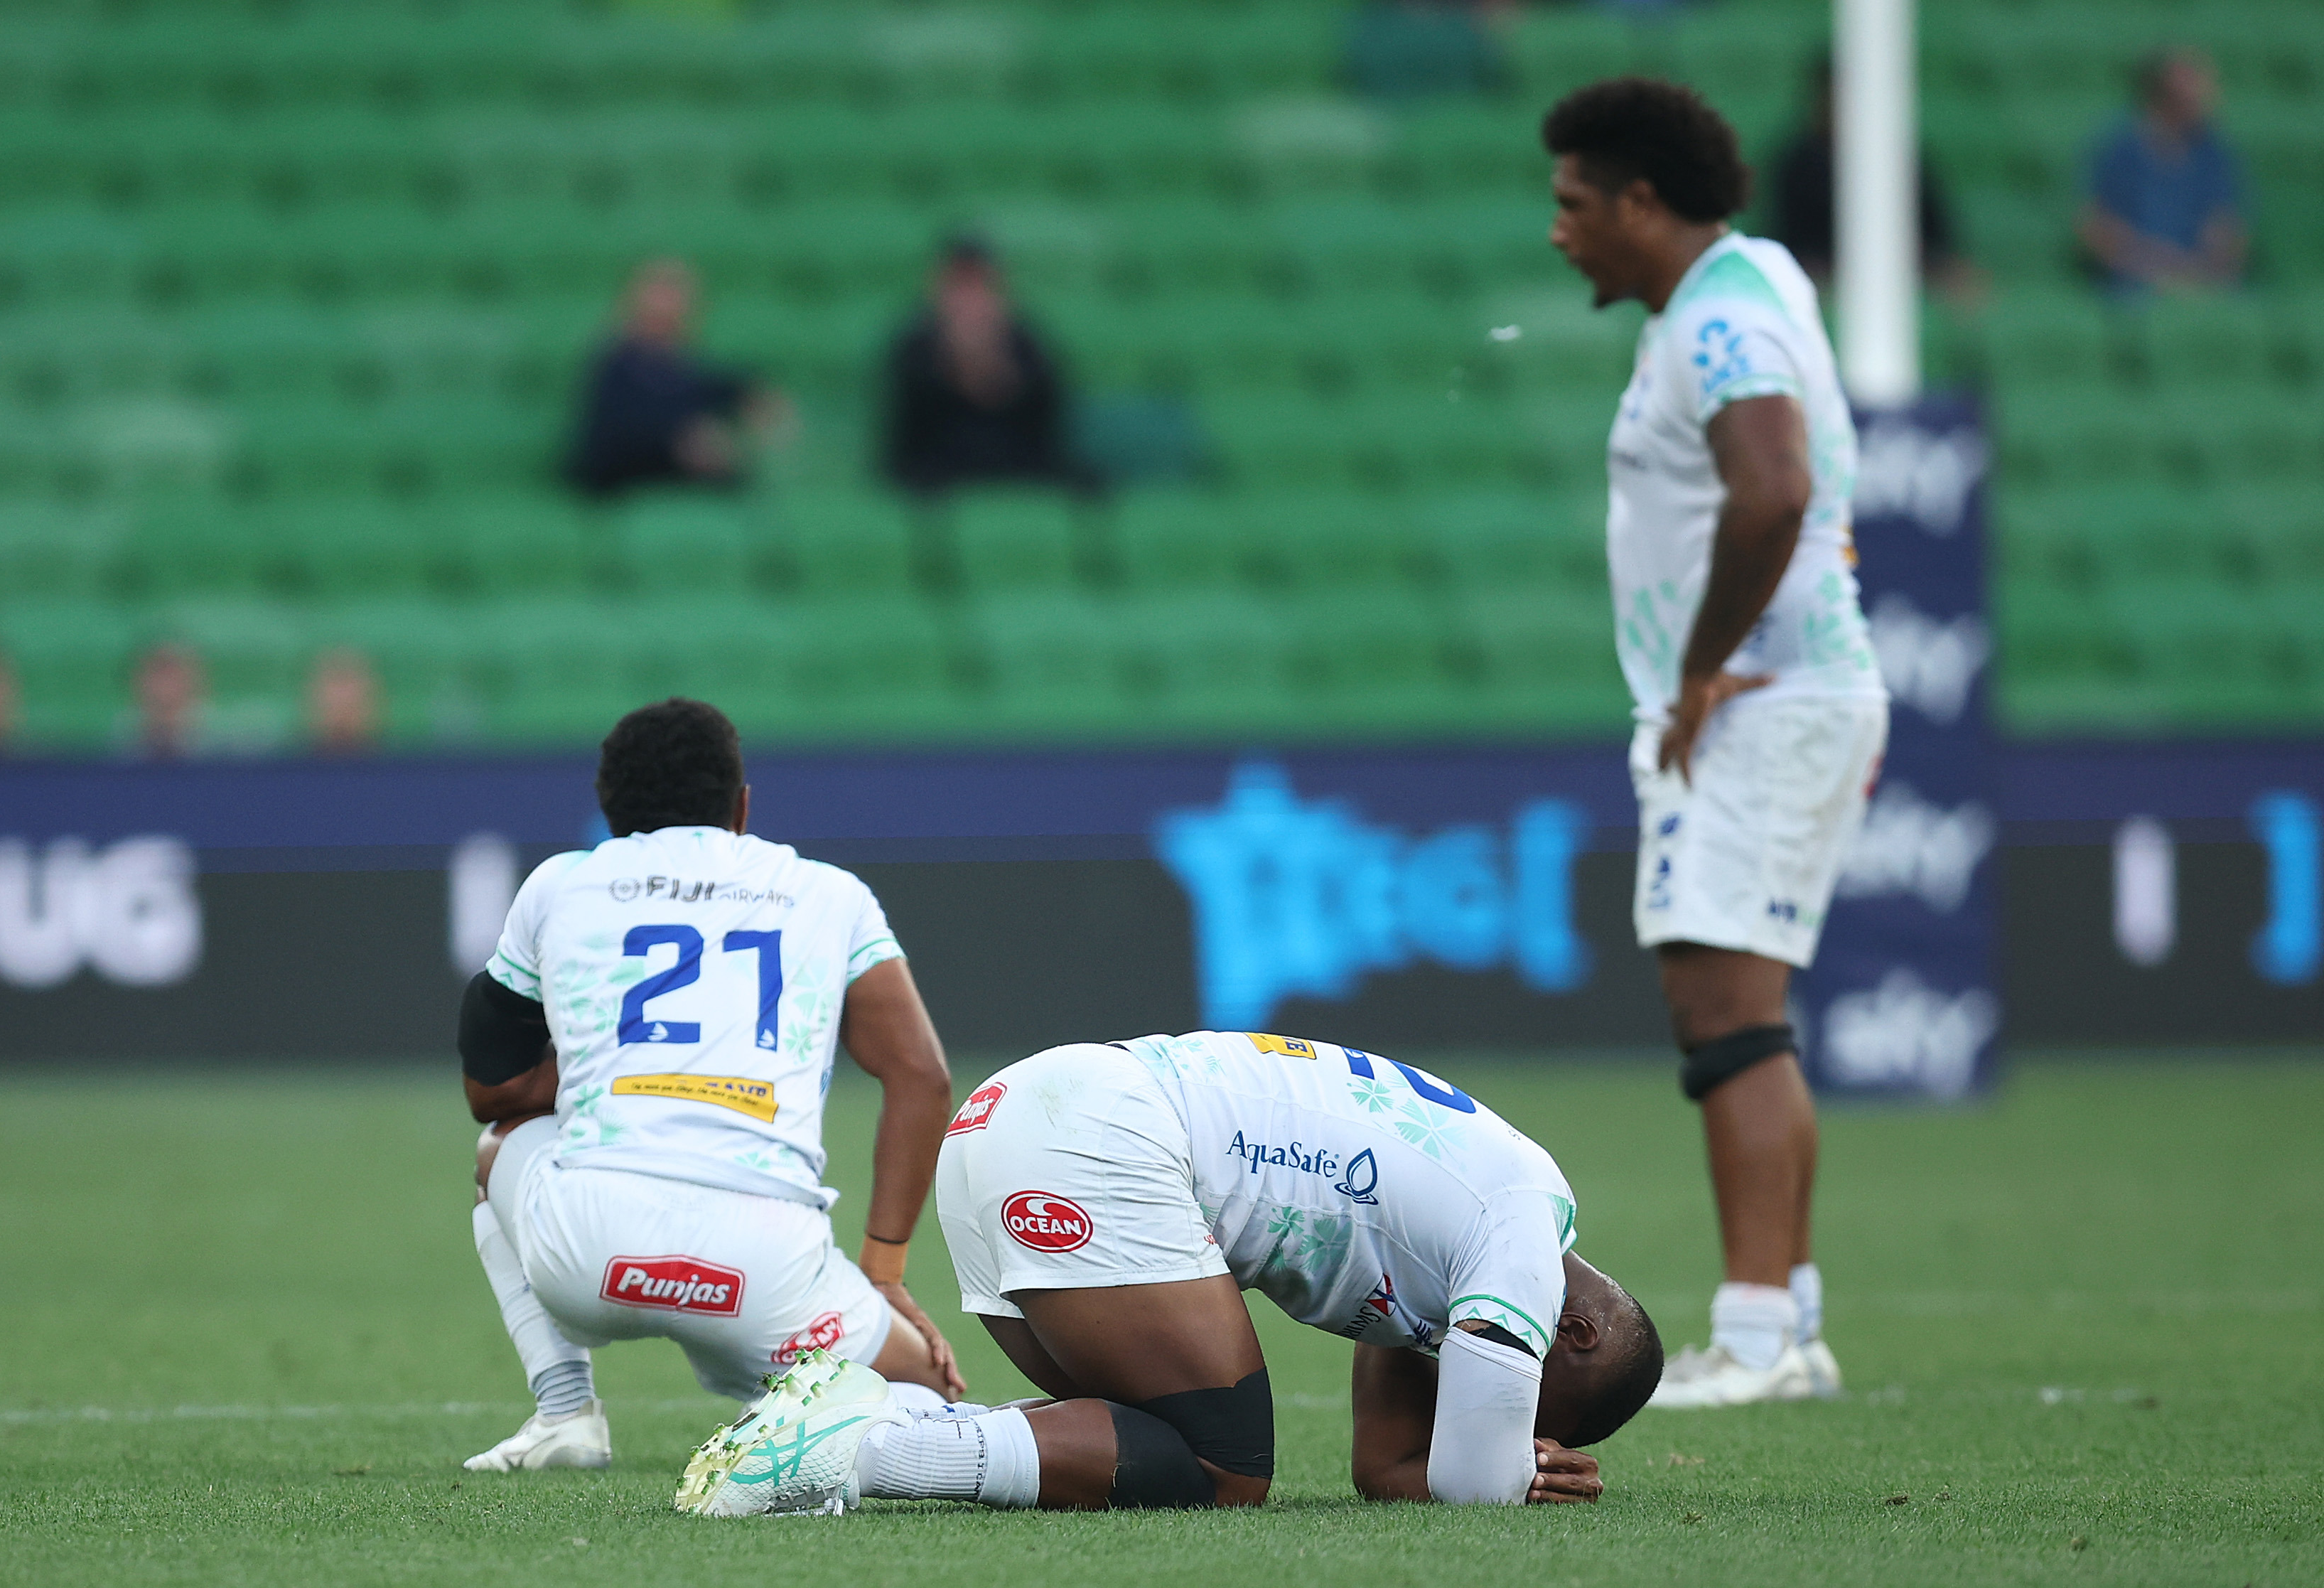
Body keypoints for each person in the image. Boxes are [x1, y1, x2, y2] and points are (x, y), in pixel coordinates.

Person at [676, 1029, 1661, 1517]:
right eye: (1538, 1398)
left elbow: (1386, 1467)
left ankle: (874, 1416)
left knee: (1142, 1439)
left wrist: (1482, 1457)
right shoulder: (1524, 1224)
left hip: (1023, 1112)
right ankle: (861, 1450)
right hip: (1099, 1139)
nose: (1504, 1398)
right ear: (1569, 1332)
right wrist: (1511, 1466)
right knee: (1225, 1468)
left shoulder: (1449, 1273)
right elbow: (1471, 1479)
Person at [1542, 79, 1886, 1407]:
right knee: (1746, 1015)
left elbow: (1775, 482)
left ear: (1641, 199)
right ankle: (1785, 1317)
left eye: (1575, 203)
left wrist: (1699, 667)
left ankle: (1754, 1337)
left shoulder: (1725, 318)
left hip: (1758, 699)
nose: (1559, 230)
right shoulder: (1751, 284)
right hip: (1796, 690)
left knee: (1726, 1014)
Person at [456, 698, 964, 1472]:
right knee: (936, 1401)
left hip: (588, 1251)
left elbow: (491, 1092)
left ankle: (565, 1412)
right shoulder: (829, 892)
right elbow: (922, 1076)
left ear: (610, 810)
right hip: (765, 1267)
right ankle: (784, 1400)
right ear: (742, 806)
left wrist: (622, 1076)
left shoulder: (561, 884)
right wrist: (884, 1273)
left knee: (499, 1151)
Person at [563, 259, 791, 498]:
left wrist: (754, 397)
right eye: (661, 291)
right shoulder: (613, 368)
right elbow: (611, 442)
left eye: (677, 293)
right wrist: (680, 442)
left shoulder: (681, 366)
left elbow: (715, 386)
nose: (669, 304)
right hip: (619, 492)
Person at [879, 237, 1084, 496]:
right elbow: (909, 427)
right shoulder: (914, 344)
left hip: (1017, 461)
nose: (970, 297)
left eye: (978, 284)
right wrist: (956, 362)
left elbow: (1046, 417)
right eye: (960, 284)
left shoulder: (1025, 340)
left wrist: (995, 364)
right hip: (939, 466)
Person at [1768, 52, 1976, 299]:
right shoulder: (1798, 163)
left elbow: (1934, 239)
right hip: (1826, 281)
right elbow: (1789, 247)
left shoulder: (1901, 160)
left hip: (1898, 279)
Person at [2077, 48, 2247, 294]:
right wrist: (2164, 270)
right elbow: (2096, 229)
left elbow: (2227, 229)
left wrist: (2205, 270)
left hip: (2202, 285)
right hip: (2132, 284)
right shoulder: (2118, 150)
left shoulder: (2213, 153)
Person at [132, 641, 203, 758]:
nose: (166, 685)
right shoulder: (119, 743)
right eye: (160, 675)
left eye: (173, 677)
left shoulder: (215, 743)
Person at [306, 647, 380, 753]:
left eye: (350, 706)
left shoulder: (395, 764)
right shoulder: (288, 764)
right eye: (333, 707)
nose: (342, 711)